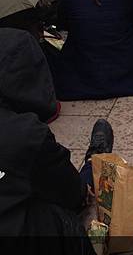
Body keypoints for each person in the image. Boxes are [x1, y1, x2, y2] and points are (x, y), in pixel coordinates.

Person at [0, 28, 113, 249]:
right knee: (65, 203)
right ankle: (94, 160)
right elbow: (70, 194)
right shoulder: (24, 135)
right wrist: (81, 192)